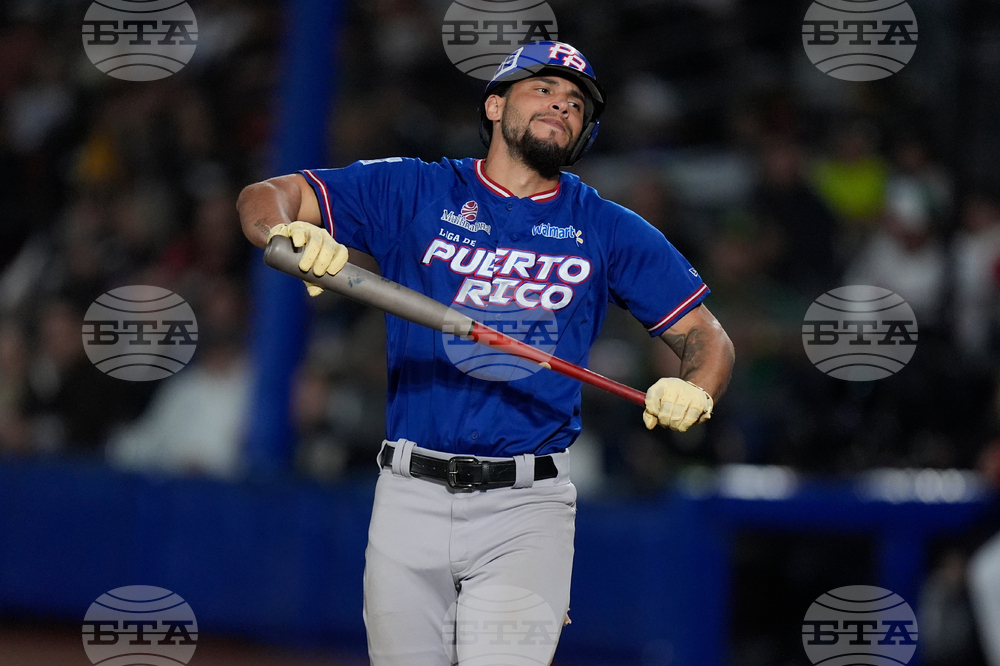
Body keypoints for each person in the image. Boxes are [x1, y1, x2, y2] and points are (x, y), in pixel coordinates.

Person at [237, 41, 734, 666]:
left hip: (526, 505)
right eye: (544, 90)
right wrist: (286, 231)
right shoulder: (414, 188)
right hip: (407, 492)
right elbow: (265, 196)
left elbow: (707, 338)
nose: (562, 105)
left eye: (577, 102)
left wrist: (697, 387)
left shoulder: (607, 226)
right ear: (495, 105)